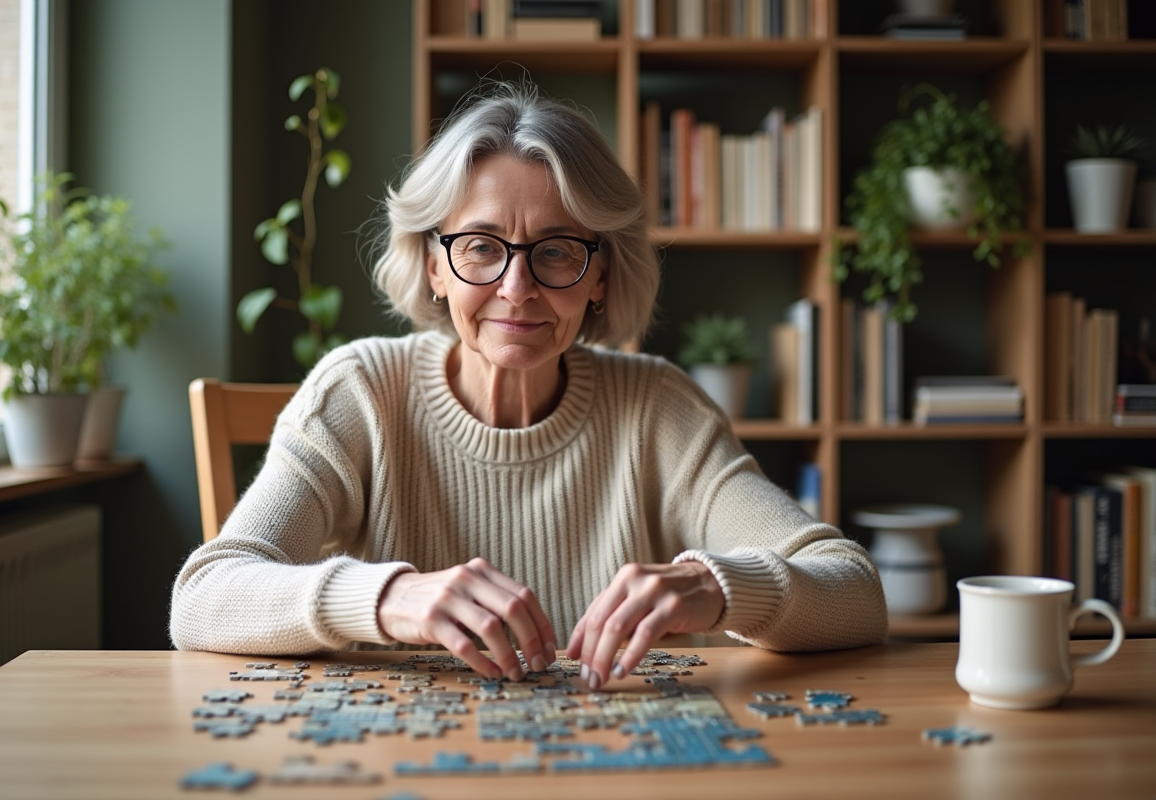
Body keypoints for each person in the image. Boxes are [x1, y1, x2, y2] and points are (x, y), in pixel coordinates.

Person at [170, 82, 886, 690]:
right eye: (481, 246)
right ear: (433, 265)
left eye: (557, 251)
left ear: (601, 273)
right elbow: (203, 598)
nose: (518, 289)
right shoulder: (361, 391)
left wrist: (716, 586)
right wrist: (391, 596)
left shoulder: (660, 409)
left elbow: (853, 589)